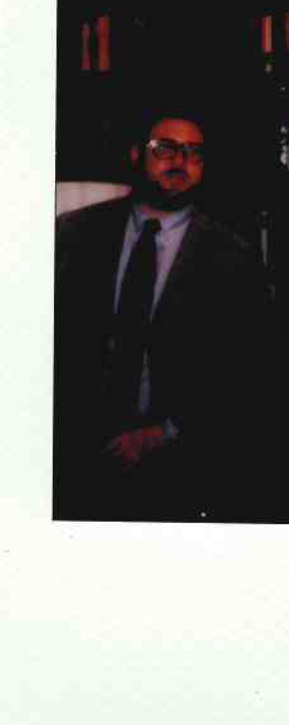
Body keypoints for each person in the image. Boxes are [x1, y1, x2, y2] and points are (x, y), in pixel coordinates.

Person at [54, 108, 274, 521]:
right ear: (136, 154)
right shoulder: (74, 234)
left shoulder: (233, 257)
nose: (181, 161)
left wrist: (163, 433)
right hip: (73, 448)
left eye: (194, 152)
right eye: (166, 148)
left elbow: (247, 370)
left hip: (178, 460)